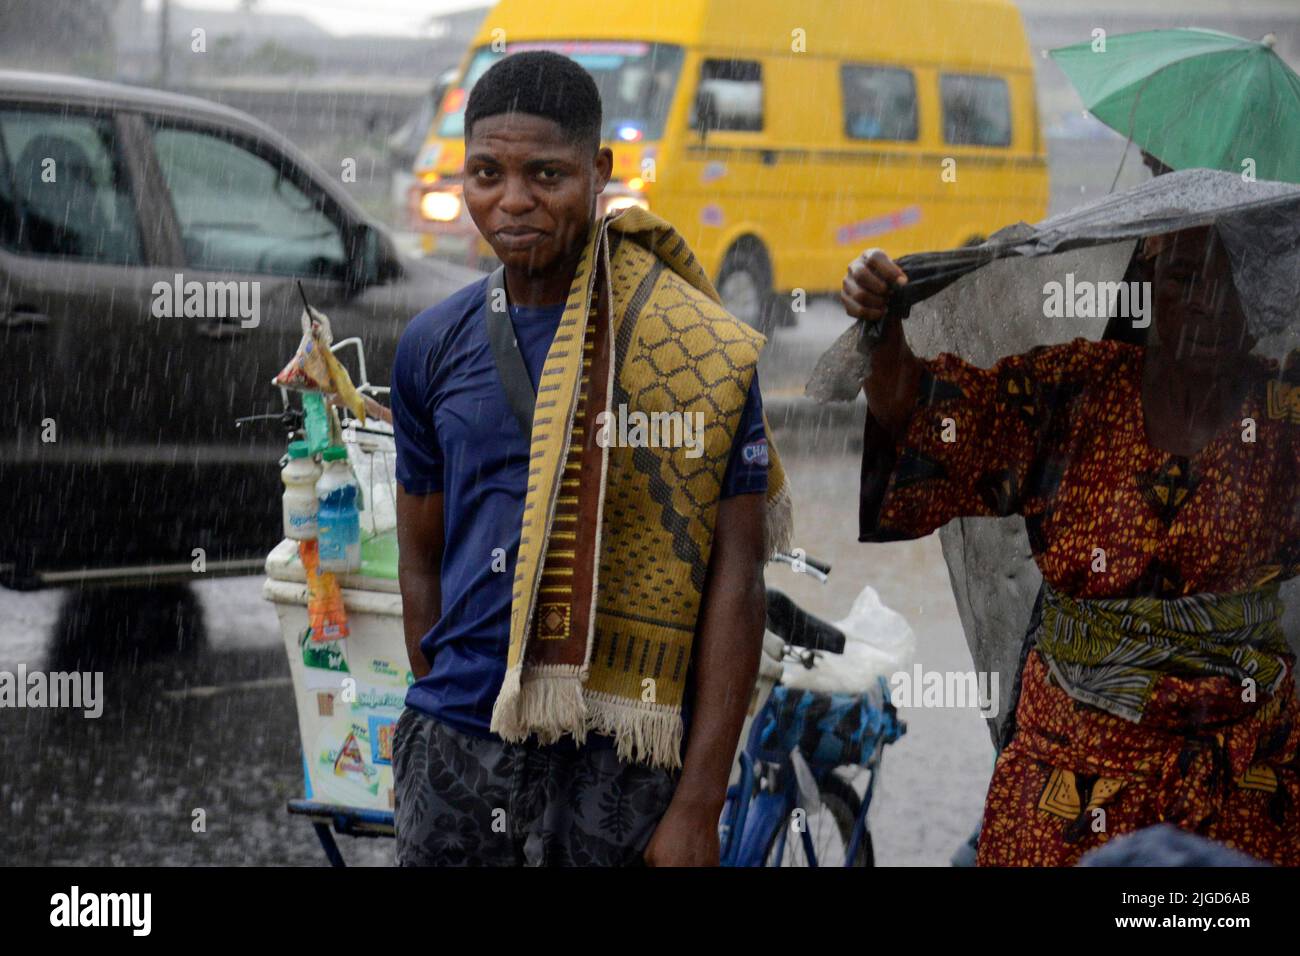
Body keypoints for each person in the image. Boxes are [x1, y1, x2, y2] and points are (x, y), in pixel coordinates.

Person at [389, 51, 790, 867]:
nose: (512, 201)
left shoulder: (694, 349)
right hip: (460, 750)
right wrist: (444, 717)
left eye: (545, 174)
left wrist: (698, 805)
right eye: (487, 173)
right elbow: (418, 558)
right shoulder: (432, 345)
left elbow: (738, 577)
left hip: (622, 756)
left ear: (600, 171)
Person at [842, 226, 1300, 866]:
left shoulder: (1283, 415)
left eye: (1231, 286)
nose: (1205, 303)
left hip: (1245, 783)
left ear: (1265, 301)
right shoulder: (1078, 390)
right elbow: (922, 413)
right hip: (1069, 783)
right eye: (1182, 280)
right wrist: (880, 319)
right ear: (1148, 291)